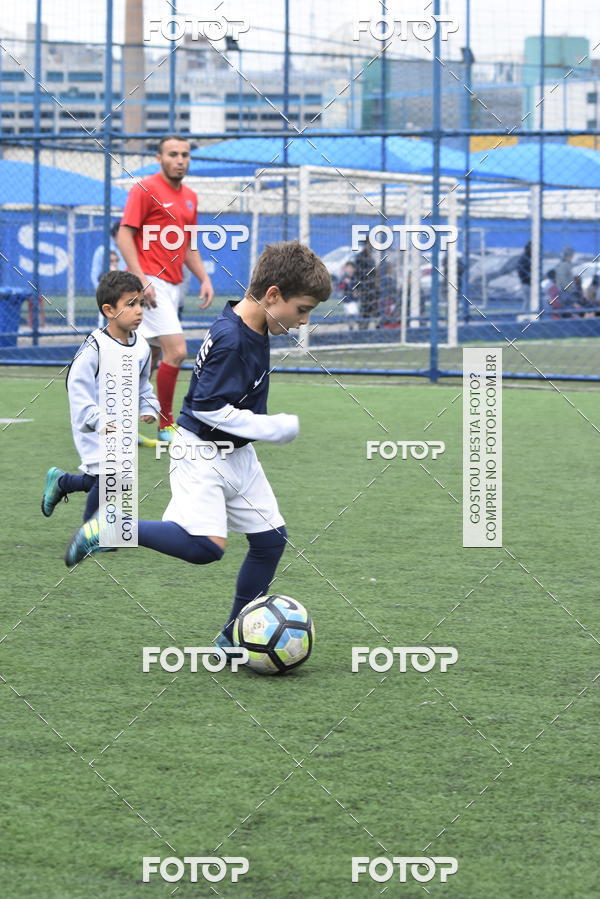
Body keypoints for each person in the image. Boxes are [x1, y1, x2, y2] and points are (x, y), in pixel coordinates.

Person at [63, 241, 331, 650]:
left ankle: (231, 637)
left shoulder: (252, 324)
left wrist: (255, 430)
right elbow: (206, 408)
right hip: (201, 451)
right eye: (302, 310)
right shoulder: (231, 338)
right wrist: (273, 427)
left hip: (236, 452)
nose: (303, 321)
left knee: (270, 539)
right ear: (273, 295)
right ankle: (114, 527)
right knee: (205, 547)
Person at [117, 134, 215, 443]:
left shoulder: (190, 197)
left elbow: (187, 244)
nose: (180, 160)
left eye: (185, 154)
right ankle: (165, 424)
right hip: (149, 283)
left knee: (149, 357)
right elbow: (124, 235)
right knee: (178, 351)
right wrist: (141, 279)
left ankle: (119, 423)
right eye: (173, 154)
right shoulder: (144, 188)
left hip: (174, 285)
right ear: (159, 158)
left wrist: (204, 278)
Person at [41, 271, 160, 523]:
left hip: (122, 428)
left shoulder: (142, 347)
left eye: (140, 303)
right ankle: (92, 532)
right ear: (108, 310)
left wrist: (148, 407)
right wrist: (97, 419)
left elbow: (143, 385)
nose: (139, 310)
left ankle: (61, 482)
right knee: (110, 475)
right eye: (130, 304)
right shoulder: (95, 347)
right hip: (94, 426)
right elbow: (76, 386)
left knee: (105, 476)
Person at [90, 221, 125, 290]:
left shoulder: (129, 249)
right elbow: (95, 274)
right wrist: (102, 293)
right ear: (116, 233)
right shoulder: (102, 250)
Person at [353, 241, 378, 329]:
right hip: (364, 288)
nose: (371, 247)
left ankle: (376, 328)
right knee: (365, 309)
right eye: (369, 245)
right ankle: (362, 328)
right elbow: (356, 274)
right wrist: (356, 288)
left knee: (374, 310)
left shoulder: (372, 257)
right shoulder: (360, 257)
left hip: (373, 288)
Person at [337, 260, 359, 330]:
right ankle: (350, 327)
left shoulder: (355, 277)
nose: (349, 269)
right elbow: (340, 286)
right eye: (348, 268)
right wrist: (344, 283)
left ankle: (352, 326)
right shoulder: (343, 277)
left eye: (351, 268)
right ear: (345, 269)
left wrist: (356, 291)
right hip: (346, 300)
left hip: (353, 300)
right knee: (349, 314)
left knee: (353, 314)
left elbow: (358, 287)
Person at [516, 240, 531, 310]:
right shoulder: (525, 258)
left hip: (527, 282)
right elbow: (522, 271)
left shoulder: (526, 258)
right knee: (528, 300)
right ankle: (525, 315)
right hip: (527, 283)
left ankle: (527, 315)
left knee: (528, 301)